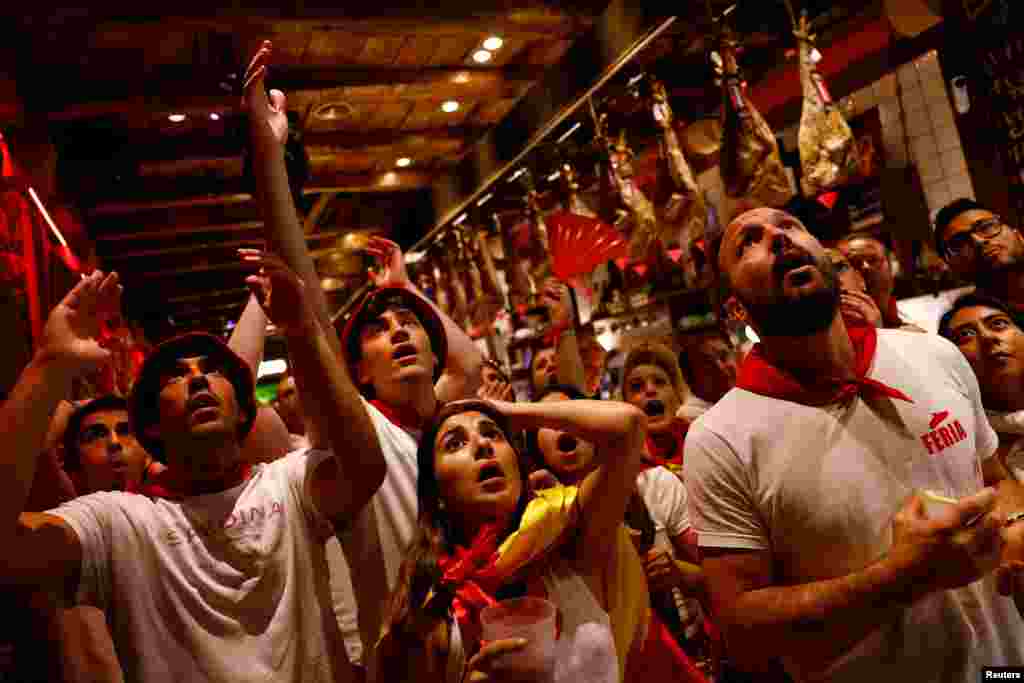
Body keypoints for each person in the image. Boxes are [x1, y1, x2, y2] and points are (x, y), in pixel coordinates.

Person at [686, 206, 1024, 682]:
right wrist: (901, 577)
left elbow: (994, 479)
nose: (780, 240)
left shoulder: (933, 354)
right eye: (750, 243)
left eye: (789, 227)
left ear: (824, 255)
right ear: (737, 310)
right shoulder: (720, 438)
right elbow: (743, 624)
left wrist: (1017, 525)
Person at [374, 396, 707, 683]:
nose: (483, 444)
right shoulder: (433, 602)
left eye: (493, 434)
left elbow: (629, 425)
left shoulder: (568, 538)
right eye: (455, 443)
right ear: (438, 494)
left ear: (519, 468)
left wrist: (509, 412)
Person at [527, 384, 711, 676]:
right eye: (549, 423)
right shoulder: (533, 521)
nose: (563, 426)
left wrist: (678, 572)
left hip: (677, 654)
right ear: (535, 446)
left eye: (571, 415)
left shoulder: (653, 485)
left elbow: (716, 578)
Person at [61, 394, 158, 494]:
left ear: (148, 452)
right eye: (95, 436)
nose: (114, 441)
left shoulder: (169, 506)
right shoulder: (74, 508)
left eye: (126, 431)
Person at [936, 198, 1024, 306]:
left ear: (1019, 236)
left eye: (987, 226)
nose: (978, 241)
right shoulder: (971, 320)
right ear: (951, 265)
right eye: (960, 241)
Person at [621, 342, 690, 475]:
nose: (650, 390)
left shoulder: (701, 438)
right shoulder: (620, 461)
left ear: (676, 393)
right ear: (626, 402)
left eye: (659, 382)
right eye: (636, 387)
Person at [836, 232, 924, 331]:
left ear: (891, 267)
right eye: (854, 262)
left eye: (872, 260)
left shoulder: (921, 318)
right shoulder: (837, 332)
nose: (866, 267)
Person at [677, 328, 738, 423]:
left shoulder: (748, 397)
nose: (720, 367)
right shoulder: (688, 418)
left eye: (723, 357)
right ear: (690, 378)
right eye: (708, 363)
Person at [825, 247, 883, 329]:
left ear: (860, 279)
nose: (836, 279)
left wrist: (878, 331)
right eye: (823, 273)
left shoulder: (904, 336)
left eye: (839, 268)